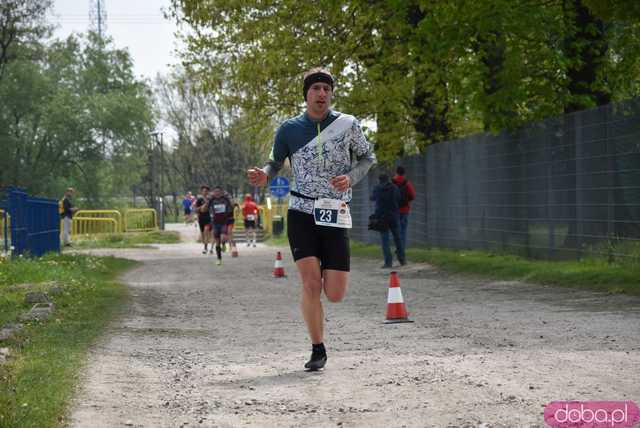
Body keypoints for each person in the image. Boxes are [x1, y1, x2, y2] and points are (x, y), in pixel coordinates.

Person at [247, 67, 376, 371]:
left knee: (335, 293)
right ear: (306, 94)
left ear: (332, 94)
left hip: (336, 213)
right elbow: (274, 163)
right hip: (302, 212)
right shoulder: (289, 129)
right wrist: (263, 176)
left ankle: (320, 331)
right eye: (315, 88)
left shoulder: (348, 125)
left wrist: (351, 176)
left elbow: (368, 157)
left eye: (326, 89)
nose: (321, 94)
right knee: (310, 284)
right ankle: (318, 348)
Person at [371, 173, 406, 268]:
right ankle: (402, 259)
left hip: (382, 217)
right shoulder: (394, 187)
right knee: (398, 238)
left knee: (385, 240)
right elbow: (399, 199)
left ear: (379, 180)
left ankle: (388, 262)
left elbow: (372, 198)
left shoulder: (377, 188)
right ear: (388, 180)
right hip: (394, 216)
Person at [392, 166, 416, 256]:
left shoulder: (392, 182)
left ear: (396, 172)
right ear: (404, 173)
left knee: (395, 231)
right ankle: (401, 250)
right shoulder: (407, 183)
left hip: (394, 210)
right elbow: (413, 195)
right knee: (403, 231)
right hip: (405, 209)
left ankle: (398, 248)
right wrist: (407, 200)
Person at [208, 186, 233, 265]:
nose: (217, 193)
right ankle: (219, 259)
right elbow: (206, 208)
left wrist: (229, 197)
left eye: (218, 191)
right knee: (217, 242)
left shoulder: (225, 200)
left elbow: (231, 206)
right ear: (214, 193)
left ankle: (224, 244)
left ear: (221, 192)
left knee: (223, 238)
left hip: (223, 222)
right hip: (215, 223)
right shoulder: (212, 200)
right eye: (215, 192)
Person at [195, 185, 212, 254]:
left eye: (206, 191)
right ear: (201, 192)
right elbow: (196, 209)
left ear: (208, 192)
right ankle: (205, 244)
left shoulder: (210, 200)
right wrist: (202, 207)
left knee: (206, 230)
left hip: (208, 217)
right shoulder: (199, 200)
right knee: (203, 234)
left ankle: (205, 248)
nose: (205, 192)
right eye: (203, 191)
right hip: (201, 218)